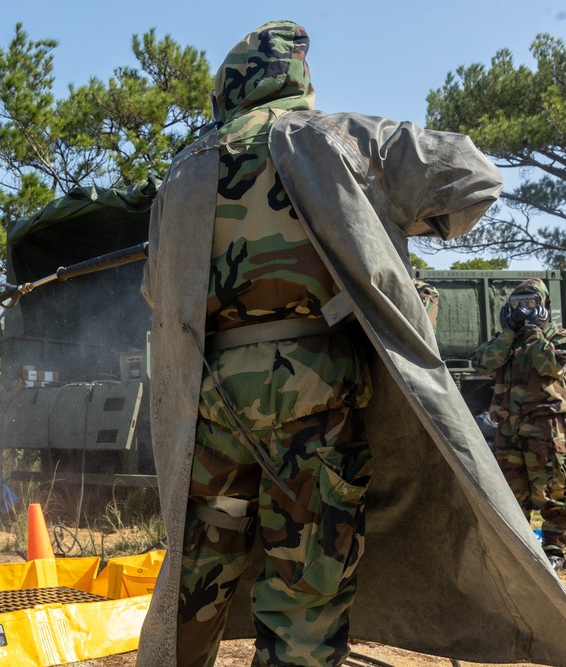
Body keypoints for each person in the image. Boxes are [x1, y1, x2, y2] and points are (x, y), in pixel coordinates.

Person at [138, 21, 507, 667]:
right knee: (305, 580)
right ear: (297, 81)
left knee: (202, 570)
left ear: (229, 89)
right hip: (311, 392)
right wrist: (391, 223)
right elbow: (472, 177)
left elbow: (156, 294)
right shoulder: (333, 136)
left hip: (214, 404)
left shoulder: (183, 169)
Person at [471, 278, 566, 571]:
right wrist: (508, 335)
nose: (521, 310)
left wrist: (535, 332)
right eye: (516, 304)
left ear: (543, 307)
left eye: (529, 304)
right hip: (508, 430)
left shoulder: (557, 337)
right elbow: (482, 363)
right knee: (510, 496)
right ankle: (519, 552)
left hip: (545, 428)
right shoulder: (506, 342)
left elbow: (549, 365)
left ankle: (555, 552)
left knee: (554, 493)